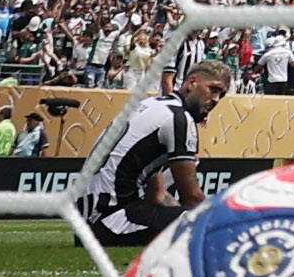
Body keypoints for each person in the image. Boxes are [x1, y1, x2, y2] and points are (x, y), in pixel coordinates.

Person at [77, 60, 231, 247]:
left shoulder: (151, 105)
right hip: (110, 220)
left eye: (221, 95)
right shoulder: (179, 119)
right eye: (213, 89)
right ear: (191, 83)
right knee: (213, 222)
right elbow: (192, 197)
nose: (216, 100)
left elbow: (157, 195)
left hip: (91, 221)